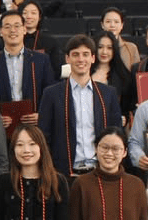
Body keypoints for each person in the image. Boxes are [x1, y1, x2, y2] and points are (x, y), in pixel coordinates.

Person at [38, 35, 124, 177]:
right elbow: (44, 136)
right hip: (64, 173)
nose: (81, 59)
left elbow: (117, 133)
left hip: (100, 171)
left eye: (85, 54)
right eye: (75, 55)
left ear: (93, 58)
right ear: (67, 59)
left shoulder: (108, 93)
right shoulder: (51, 94)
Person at [0, 10, 56, 118]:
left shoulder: (41, 60)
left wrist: (41, 114)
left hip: (33, 125)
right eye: (7, 27)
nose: (12, 30)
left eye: (17, 26)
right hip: (2, 126)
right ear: (0, 31)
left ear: (24, 29)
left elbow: (50, 93)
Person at [91, 31, 134, 119]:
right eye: (100, 47)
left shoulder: (123, 76)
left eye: (109, 48)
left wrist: (123, 118)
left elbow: (126, 108)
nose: (104, 52)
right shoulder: (85, 73)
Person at [20, 1, 62, 75]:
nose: (29, 16)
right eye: (25, 13)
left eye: (33, 13)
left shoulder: (50, 42)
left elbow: (56, 71)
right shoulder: (11, 40)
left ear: (39, 17)